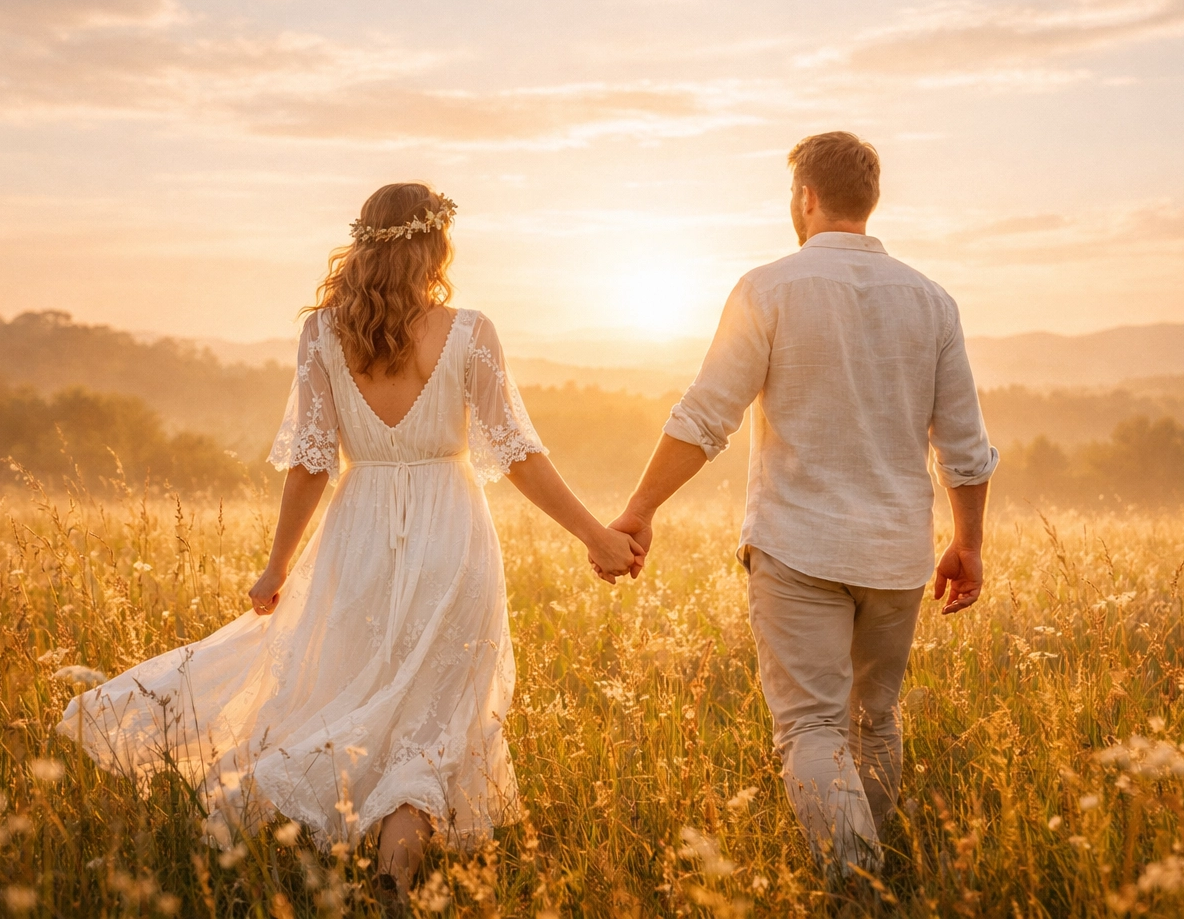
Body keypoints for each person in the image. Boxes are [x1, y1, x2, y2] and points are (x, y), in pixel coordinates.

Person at [58, 182, 642, 911]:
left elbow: (311, 465)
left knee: (349, 692)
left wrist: (276, 568)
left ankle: (298, 821)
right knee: (437, 715)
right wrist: (597, 537)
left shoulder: (323, 334)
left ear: (364, 242)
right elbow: (518, 455)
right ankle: (393, 877)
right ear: (435, 246)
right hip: (451, 535)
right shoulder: (468, 330)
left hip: (356, 531)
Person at [608, 132, 997, 883]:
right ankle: (875, 872)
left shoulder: (768, 289)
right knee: (874, 719)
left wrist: (641, 508)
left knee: (812, 728)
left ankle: (854, 882)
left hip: (798, 547)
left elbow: (705, 417)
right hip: (895, 554)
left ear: (805, 198)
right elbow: (966, 447)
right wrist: (968, 540)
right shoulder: (932, 301)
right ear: (869, 200)